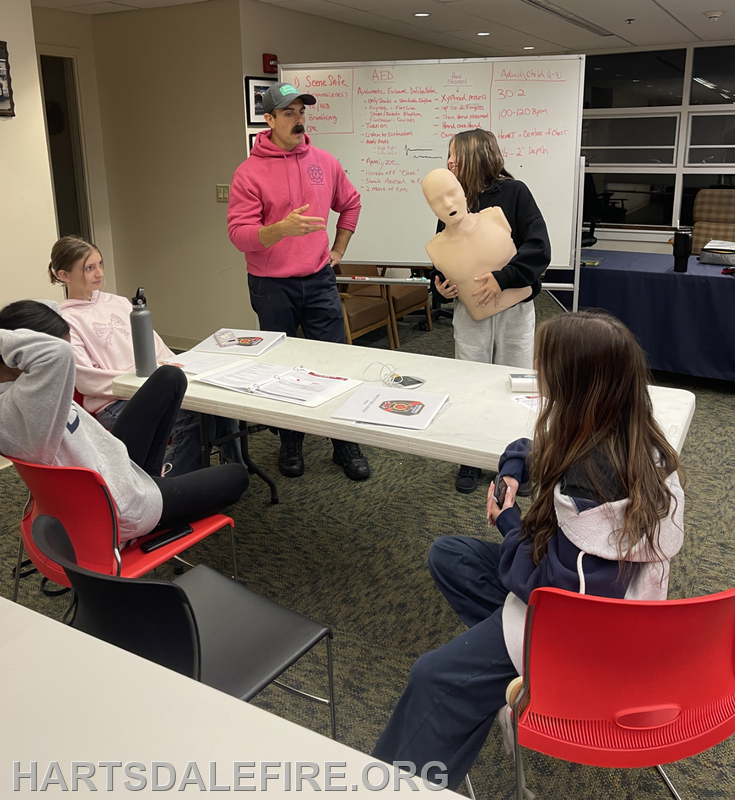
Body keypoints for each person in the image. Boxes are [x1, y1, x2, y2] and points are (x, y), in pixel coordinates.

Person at [373, 311, 685, 791]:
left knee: (434, 678)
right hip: (582, 590)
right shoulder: (624, 429)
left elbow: (556, 589)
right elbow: (536, 445)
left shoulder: (593, 478)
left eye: (546, 369)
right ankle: (496, 671)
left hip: (579, 630)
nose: (539, 378)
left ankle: (406, 783)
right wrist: (515, 467)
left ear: (574, 383)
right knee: (450, 555)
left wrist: (509, 522)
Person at [0, 300, 249, 542]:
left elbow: (52, 326)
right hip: (123, 506)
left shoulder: (20, 388)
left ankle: (154, 477)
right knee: (238, 477)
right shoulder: (25, 403)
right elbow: (58, 352)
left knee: (170, 378)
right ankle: (159, 499)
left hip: (113, 464)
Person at [227, 82, 370, 482]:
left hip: (319, 278)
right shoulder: (248, 173)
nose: (298, 119)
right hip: (272, 285)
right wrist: (281, 230)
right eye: (288, 113)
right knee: (282, 368)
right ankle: (290, 440)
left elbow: (352, 202)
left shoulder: (323, 161)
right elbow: (239, 235)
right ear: (268, 119)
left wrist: (338, 248)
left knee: (335, 362)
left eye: (301, 112)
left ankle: (344, 441)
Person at [47, 235, 246, 477]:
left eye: (100, 265)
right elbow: (87, 380)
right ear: (64, 275)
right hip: (114, 403)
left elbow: (158, 350)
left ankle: (236, 468)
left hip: (149, 387)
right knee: (193, 417)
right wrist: (145, 384)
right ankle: (169, 487)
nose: (99, 273)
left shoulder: (119, 303)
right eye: (89, 268)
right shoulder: (65, 321)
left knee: (213, 403)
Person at [433, 129, 551, 494]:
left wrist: (504, 278)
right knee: (471, 380)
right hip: (471, 311)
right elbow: (443, 254)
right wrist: (440, 285)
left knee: (515, 382)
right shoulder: (453, 200)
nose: (449, 162)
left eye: (455, 155)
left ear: (476, 154)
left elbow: (538, 247)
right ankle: (471, 457)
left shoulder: (516, 193)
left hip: (514, 306)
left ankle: (516, 461)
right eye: (448, 155)